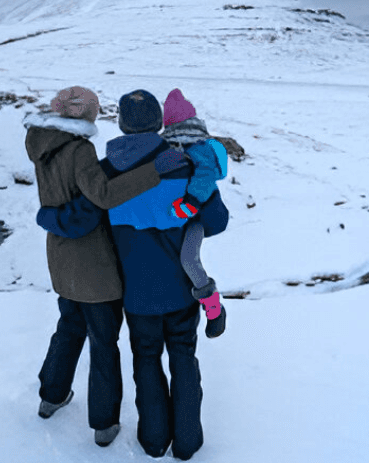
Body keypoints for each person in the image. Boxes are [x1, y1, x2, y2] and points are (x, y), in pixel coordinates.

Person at [44, 89, 229, 460]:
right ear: (159, 122)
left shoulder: (105, 172)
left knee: (146, 360)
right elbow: (217, 221)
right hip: (180, 287)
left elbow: (83, 221)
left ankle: (153, 440)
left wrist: (47, 217)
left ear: (122, 124)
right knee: (183, 358)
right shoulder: (182, 164)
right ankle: (188, 443)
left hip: (135, 293)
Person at [25, 86, 187, 448]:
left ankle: (51, 396)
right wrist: (153, 172)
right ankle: (104, 422)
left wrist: (49, 216)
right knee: (103, 340)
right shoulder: (80, 149)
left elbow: (68, 198)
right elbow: (104, 195)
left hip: (62, 256)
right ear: (86, 114)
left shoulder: (43, 144)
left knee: (68, 327)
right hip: (94, 263)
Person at [160, 88, 230, 338]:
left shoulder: (198, 147)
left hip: (198, 217)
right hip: (182, 214)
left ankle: (214, 309)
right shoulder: (172, 146)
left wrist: (190, 202)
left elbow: (205, 176)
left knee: (189, 259)